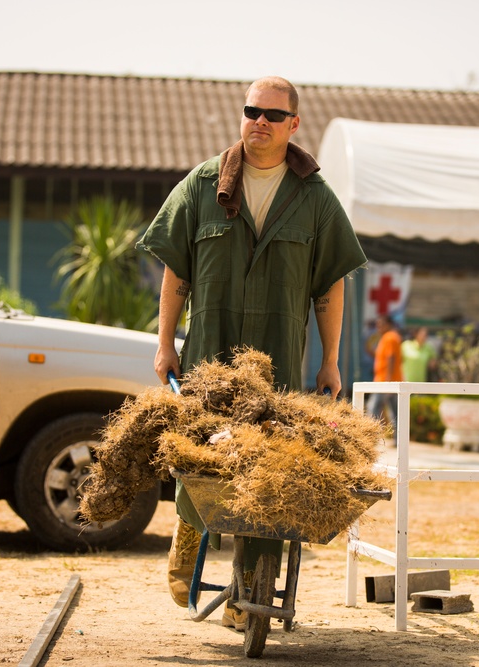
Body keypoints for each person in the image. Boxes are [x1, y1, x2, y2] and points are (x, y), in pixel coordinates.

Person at [137, 76, 366, 630]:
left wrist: (330, 360)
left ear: (294, 124)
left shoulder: (315, 198)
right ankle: (189, 535)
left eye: (271, 114)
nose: (258, 121)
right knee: (200, 454)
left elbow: (330, 286)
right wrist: (165, 344)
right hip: (210, 355)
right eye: (250, 111)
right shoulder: (202, 184)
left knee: (270, 473)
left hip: (279, 362)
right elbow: (176, 273)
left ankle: (248, 595)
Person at [366, 315, 403, 438]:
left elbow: (391, 358)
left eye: (381, 325)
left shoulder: (390, 337)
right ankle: (397, 439)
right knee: (394, 413)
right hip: (389, 381)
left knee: (373, 408)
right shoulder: (389, 337)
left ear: (388, 324)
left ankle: (372, 437)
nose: (378, 327)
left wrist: (388, 381)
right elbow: (383, 357)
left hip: (385, 382)